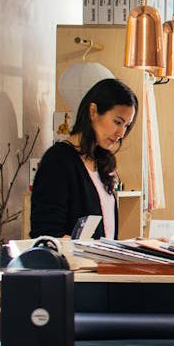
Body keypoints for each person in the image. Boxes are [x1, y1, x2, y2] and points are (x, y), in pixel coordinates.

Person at [31, 78, 137, 239]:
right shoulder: (58, 161)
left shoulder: (102, 164)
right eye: (117, 122)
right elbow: (46, 234)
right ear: (93, 111)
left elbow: (105, 237)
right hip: (72, 264)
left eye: (126, 126)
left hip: (99, 263)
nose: (121, 133)